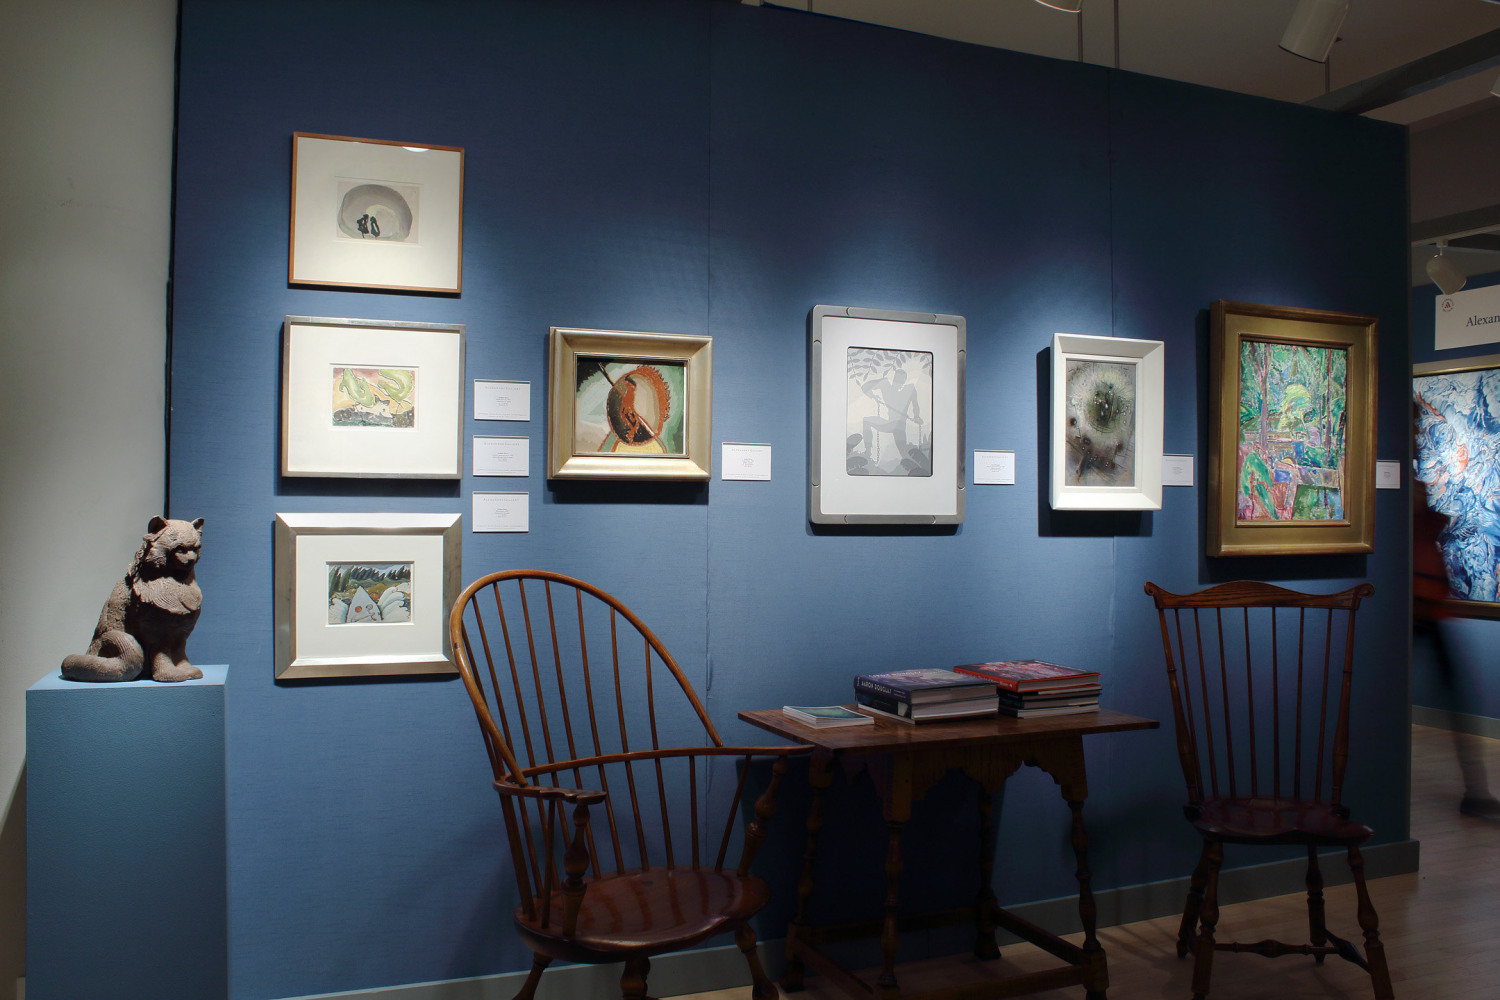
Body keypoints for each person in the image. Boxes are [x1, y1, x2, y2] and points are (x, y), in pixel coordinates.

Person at [1414, 478, 1500, 819]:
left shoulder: (1422, 525)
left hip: (1429, 615)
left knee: (1458, 696)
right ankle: (1475, 792)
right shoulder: (1419, 525)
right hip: (1417, 614)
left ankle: (1476, 792)